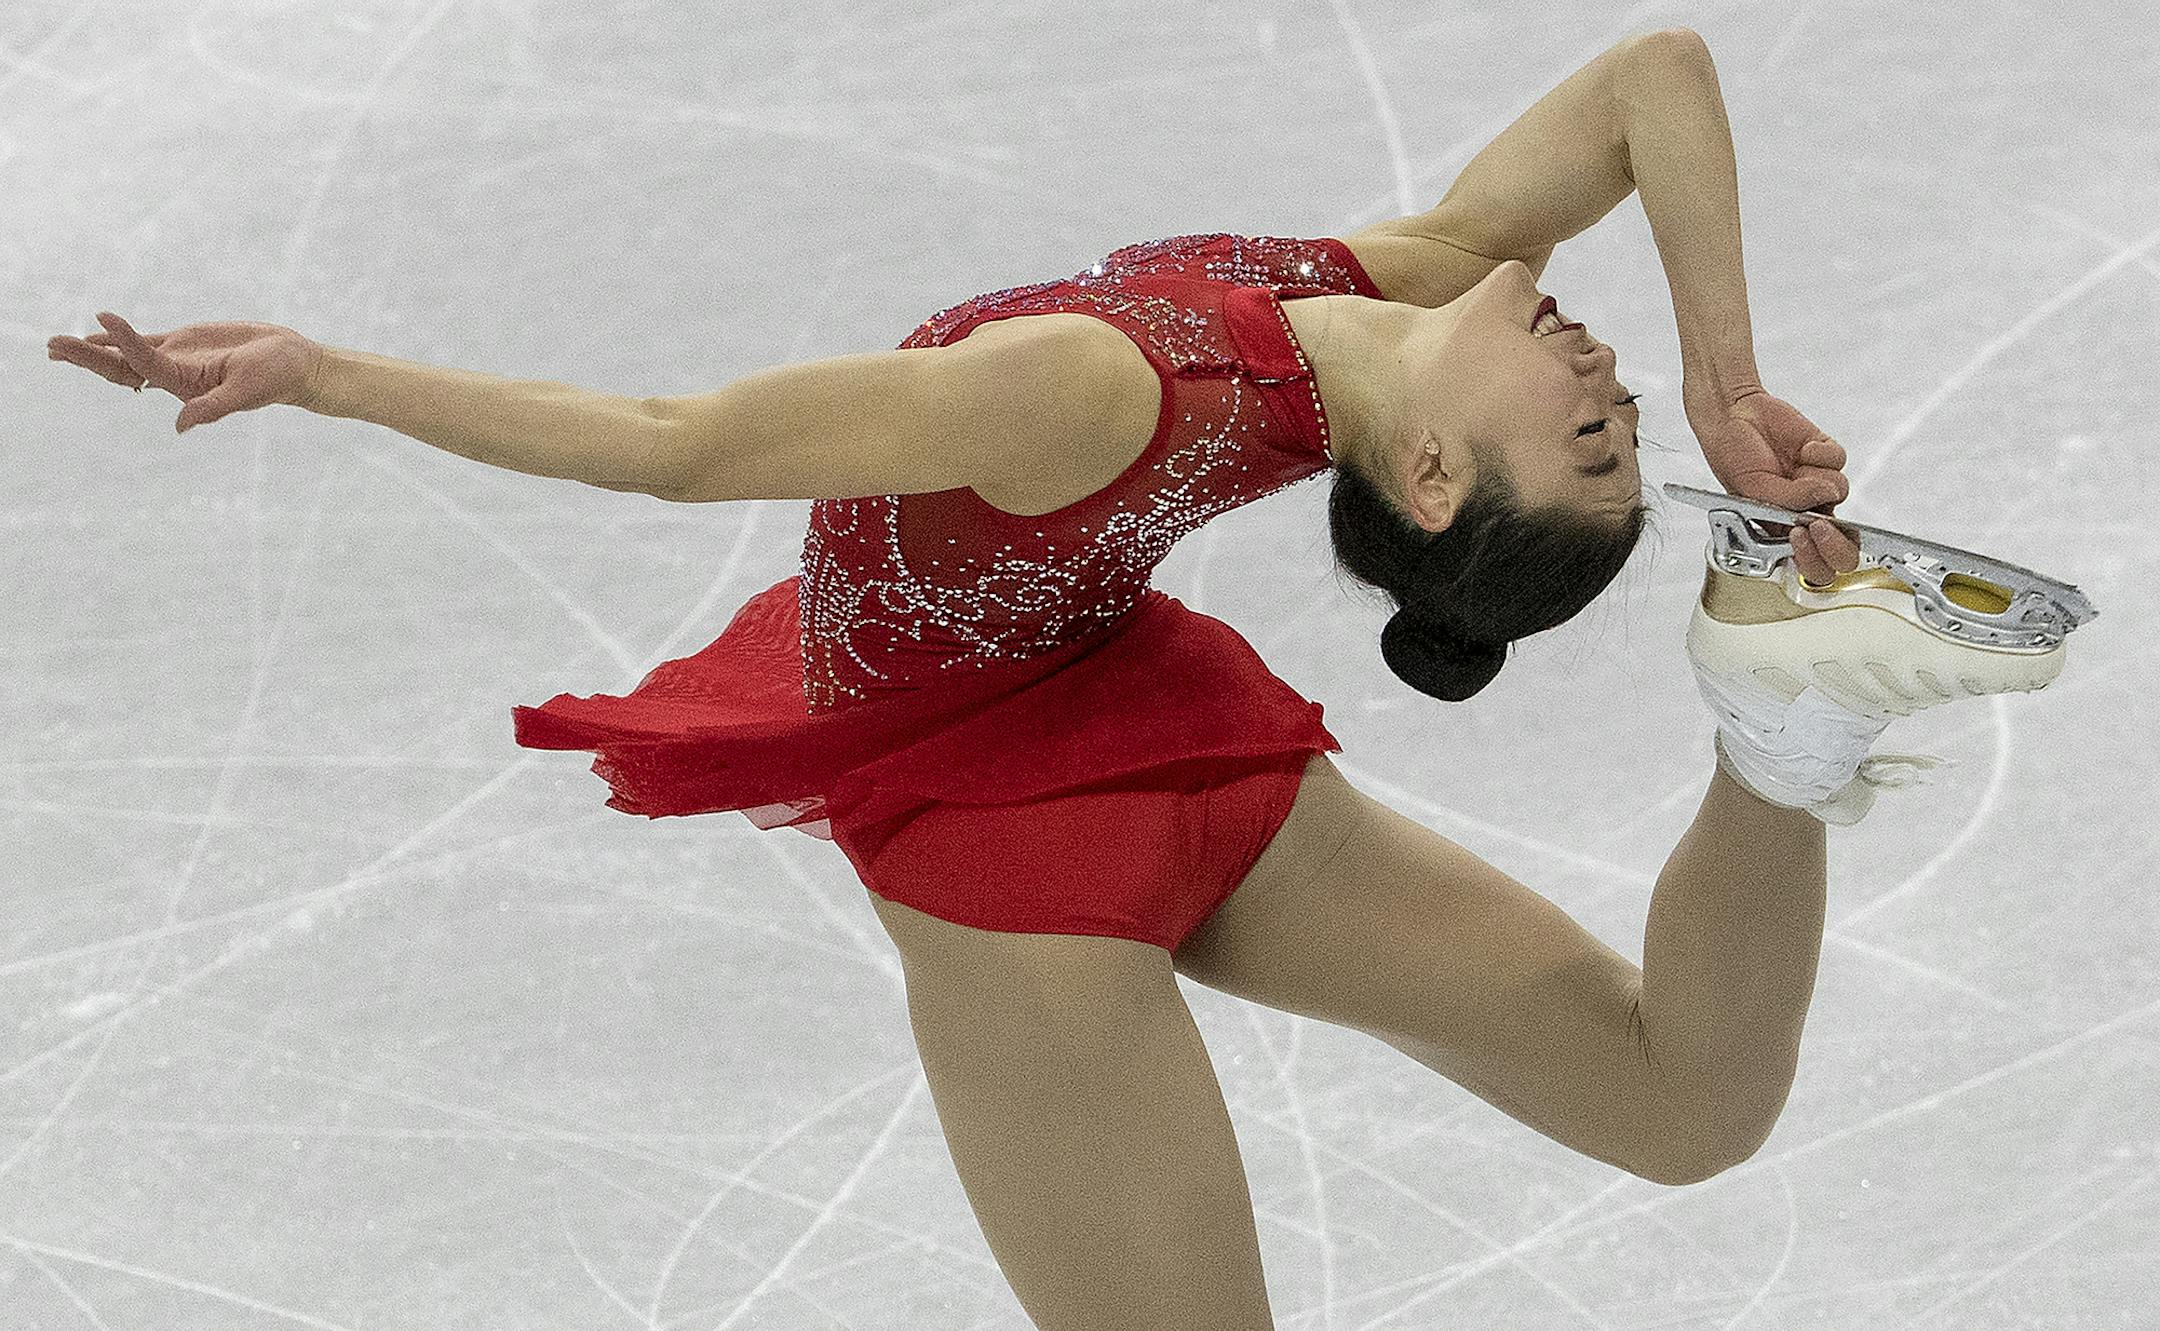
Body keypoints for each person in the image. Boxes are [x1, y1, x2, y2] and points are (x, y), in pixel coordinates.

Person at [46, 27, 2068, 1330]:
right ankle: (1787, 734)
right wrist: (1725, 379)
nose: (1608, 380)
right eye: (1621, 419)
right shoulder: (1361, 294)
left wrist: (324, 370)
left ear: (1441, 477)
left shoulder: (1093, 391)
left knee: (1688, 1101)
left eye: (1595, 437)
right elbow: (1654, 80)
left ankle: (1783, 735)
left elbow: (673, 442)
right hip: (1104, 726)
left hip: (1036, 810)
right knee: (1660, 1118)